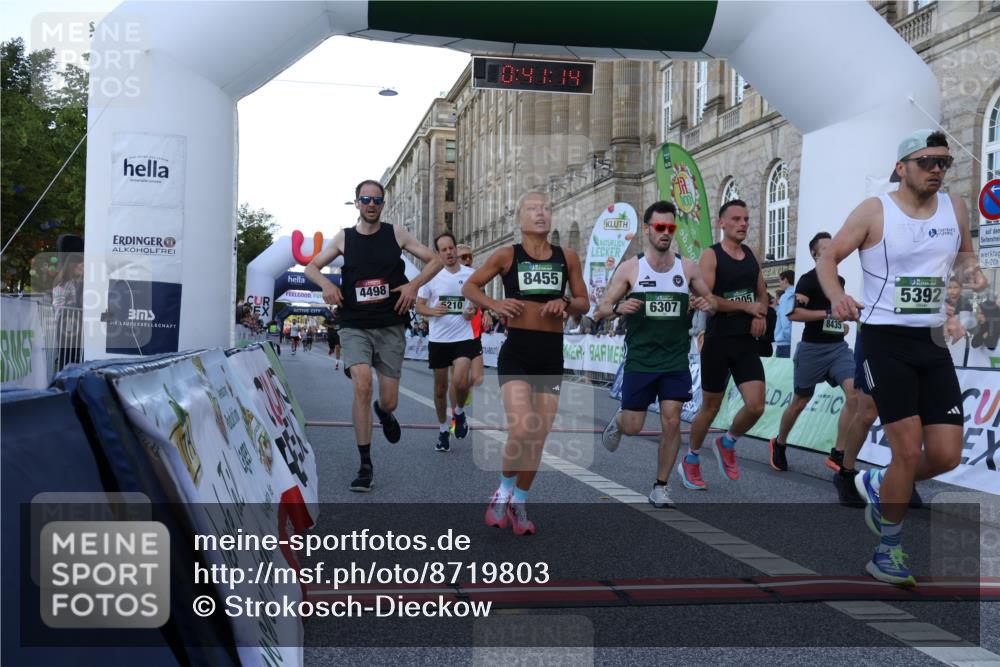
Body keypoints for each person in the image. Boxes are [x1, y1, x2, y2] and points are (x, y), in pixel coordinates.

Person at [817, 129, 986, 586]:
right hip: (884, 340)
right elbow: (828, 259)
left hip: (932, 342)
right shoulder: (876, 211)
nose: (937, 170)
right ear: (901, 167)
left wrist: (970, 284)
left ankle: (879, 482)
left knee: (947, 456)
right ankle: (887, 549)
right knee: (908, 452)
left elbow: (965, 258)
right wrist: (836, 297)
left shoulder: (956, 209)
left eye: (944, 163)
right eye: (927, 161)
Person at [305, 179, 443, 492]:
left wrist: (413, 285)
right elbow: (311, 268)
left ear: (383, 204)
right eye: (365, 199)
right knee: (363, 384)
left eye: (377, 200)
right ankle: (365, 464)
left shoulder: (396, 234)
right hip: (354, 324)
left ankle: (385, 413)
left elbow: (435, 259)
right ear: (356, 203)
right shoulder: (345, 237)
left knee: (389, 401)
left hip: (390, 324)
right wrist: (327, 285)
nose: (371, 204)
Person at [462, 191, 587, 535]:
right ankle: (502, 491)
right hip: (516, 351)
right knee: (522, 427)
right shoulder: (507, 255)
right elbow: (470, 287)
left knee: (538, 436)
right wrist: (494, 305)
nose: (541, 213)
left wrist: (565, 303)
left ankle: (519, 500)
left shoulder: (568, 257)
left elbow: (584, 302)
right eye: (532, 209)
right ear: (520, 220)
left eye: (546, 208)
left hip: (550, 353)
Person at [597, 201, 717, 507]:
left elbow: (713, 302)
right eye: (659, 227)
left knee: (673, 422)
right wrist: (619, 308)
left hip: (675, 359)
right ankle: (621, 421)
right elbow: (602, 309)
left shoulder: (687, 267)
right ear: (648, 230)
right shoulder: (631, 269)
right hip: (641, 358)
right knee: (635, 426)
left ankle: (660, 486)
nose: (665, 233)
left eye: (671, 228)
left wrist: (706, 304)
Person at [683, 200, 769, 489]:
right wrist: (747, 309)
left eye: (746, 219)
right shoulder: (711, 255)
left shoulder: (752, 254)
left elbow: (762, 292)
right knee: (710, 407)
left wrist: (762, 313)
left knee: (756, 406)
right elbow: (709, 299)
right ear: (722, 223)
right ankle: (691, 459)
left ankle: (727, 441)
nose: (743, 224)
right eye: (736, 219)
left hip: (745, 341)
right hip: (718, 340)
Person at [767, 233, 860, 473]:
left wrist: (843, 322)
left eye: (834, 247)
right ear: (815, 254)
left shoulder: (839, 279)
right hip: (812, 350)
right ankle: (779, 442)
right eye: (826, 248)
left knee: (855, 394)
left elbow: (835, 314)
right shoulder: (807, 280)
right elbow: (794, 315)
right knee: (800, 401)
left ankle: (838, 454)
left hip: (838, 349)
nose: (832, 252)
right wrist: (828, 315)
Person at [415, 232, 480, 453]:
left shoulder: (471, 274)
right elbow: (419, 306)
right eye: (443, 250)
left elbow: (476, 303)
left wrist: (472, 310)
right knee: (440, 389)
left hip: (463, 336)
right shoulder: (430, 276)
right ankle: (444, 429)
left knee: (461, 381)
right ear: (438, 253)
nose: (449, 252)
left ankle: (459, 413)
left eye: (451, 248)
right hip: (439, 339)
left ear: (455, 248)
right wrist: (432, 311)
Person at [450, 243, 486, 415]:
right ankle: (457, 412)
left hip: (474, 332)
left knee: (478, 379)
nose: (468, 260)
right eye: (464, 257)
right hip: (455, 335)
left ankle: (462, 400)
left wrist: (486, 312)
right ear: (456, 259)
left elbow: (482, 299)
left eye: (470, 257)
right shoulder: (448, 278)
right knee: (458, 382)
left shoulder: (477, 276)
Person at [51, 254, 84, 370]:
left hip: (76, 323)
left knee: (74, 357)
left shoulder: (79, 283)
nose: (84, 268)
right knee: (67, 358)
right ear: (73, 267)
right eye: (81, 266)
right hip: (67, 323)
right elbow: (58, 307)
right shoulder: (63, 284)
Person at [774, 270, 795, 357]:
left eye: (780, 280)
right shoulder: (796, 294)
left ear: (785, 280)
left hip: (785, 343)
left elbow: (785, 320)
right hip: (790, 341)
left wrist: (789, 337)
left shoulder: (786, 297)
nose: (779, 283)